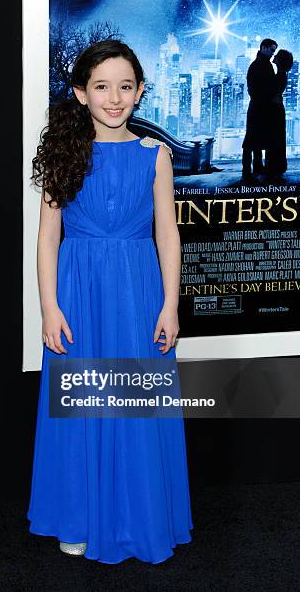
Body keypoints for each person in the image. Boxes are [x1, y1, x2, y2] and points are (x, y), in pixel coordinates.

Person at [27, 40, 193, 564]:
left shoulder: (155, 156)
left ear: (141, 91)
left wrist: (170, 304)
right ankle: (76, 516)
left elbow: (168, 235)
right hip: (78, 292)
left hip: (138, 291)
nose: (114, 97)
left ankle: (140, 516)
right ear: (81, 94)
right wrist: (49, 308)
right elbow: (46, 235)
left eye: (125, 86)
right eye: (101, 87)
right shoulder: (63, 153)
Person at [242, 38, 278, 182]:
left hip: (259, 107)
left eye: (274, 50)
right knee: (251, 140)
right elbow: (255, 89)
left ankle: (255, 167)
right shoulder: (259, 66)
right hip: (258, 107)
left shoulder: (260, 65)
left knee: (254, 139)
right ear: (263, 47)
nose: (272, 53)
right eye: (271, 50)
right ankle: (247, 170)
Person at [265, 49, 294, 177]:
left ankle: (274, 167)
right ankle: (277, 166)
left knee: (274, 138)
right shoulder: (281, 74)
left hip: (275, 110)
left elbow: (273, 93)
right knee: (276, 138)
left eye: (277, 55)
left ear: (280, 60)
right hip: (277, 110)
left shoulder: (280, 75)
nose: (274, 56)